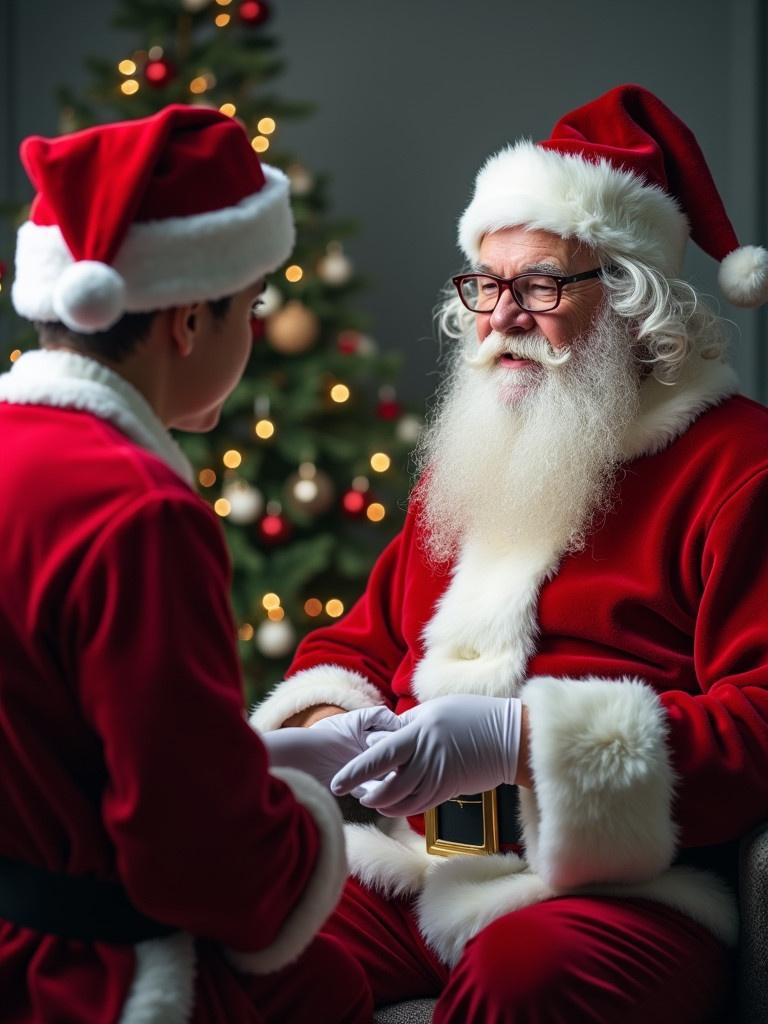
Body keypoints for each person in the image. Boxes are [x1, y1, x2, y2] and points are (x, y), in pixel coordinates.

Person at [253, 84, 768, 1023]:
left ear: (631, 298)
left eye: (539, 285)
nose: (500, 317)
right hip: (418, 866)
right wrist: (329, 725)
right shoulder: (479, 449)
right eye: (486, 285)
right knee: (248, 943)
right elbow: (364, 641)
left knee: (525, 976)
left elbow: (761, 724)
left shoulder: (741, 466)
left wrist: (522, 744)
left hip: (619, 891)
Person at [0, 105, 375, 1024]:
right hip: (88, 978)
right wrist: (299, 816)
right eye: (249, 309)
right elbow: (195, 853)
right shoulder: (142, 514)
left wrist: (241, 762)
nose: (251, 335)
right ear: (186, 320)